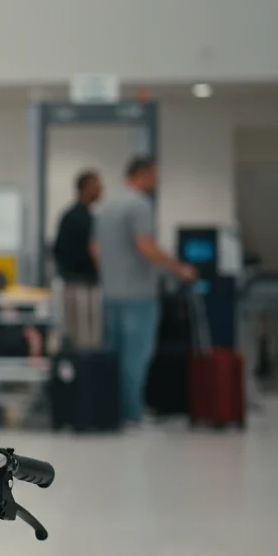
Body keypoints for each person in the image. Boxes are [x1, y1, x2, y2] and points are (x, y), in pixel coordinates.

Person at [91, 157, 197, 425]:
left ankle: (112, 410)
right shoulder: (140, 205)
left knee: (113, 354)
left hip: (110, 293)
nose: (157, 181)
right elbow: (146, 246)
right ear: (142, 174)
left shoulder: (107, 206)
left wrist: (110, 273)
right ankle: (132, 412)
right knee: (136, 357)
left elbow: (95, 248)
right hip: (138, 295)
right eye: (155, 175)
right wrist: (179, 268)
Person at [53, 171, 104, 347]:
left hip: (77, 284)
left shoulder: (79, 216)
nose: (101, 189)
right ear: (85, 188)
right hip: (80, 286)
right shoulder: (80, 218)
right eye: (96, 185)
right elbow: (93, 250)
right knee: (86, 339)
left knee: (80, 337)